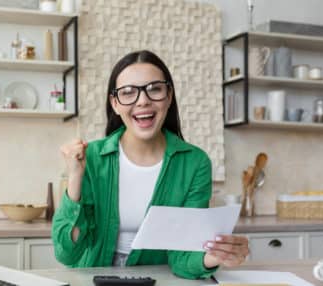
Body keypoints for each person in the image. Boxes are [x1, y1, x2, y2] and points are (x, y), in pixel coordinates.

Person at [52, 50, 249, 279]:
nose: (143, 100)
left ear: (169, 96)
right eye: (128, 92)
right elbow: (66, 253)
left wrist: (214, 256)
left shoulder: (195, 163)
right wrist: (75, 176)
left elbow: (183, 256)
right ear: (115, 103)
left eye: (154, 89)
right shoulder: (91, 157)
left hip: (157, 281)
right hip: (94, 280)